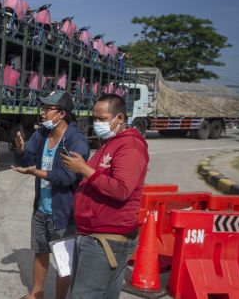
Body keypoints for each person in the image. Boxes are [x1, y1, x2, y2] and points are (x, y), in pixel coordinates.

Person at [61, 94, 148, 298]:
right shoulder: (110, 143)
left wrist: (84, 169)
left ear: (119, 118)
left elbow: (121, 189)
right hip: (94, 235)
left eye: (102, 118)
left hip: (105, 240)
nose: (97, 123)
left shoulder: (130, 147)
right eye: (95, 118)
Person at [11, 90, 89, 299]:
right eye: (43, 108)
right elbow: (26, 161)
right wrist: (20, 150)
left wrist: (36, 172)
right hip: (41, 208)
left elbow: (68, 178)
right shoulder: (42, 135)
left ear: (62, 114)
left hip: (63, 212)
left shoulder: (75, 140)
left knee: (63, 260)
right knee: (41, 250)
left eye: (48, 109)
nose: (43, 113)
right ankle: (37, 292)